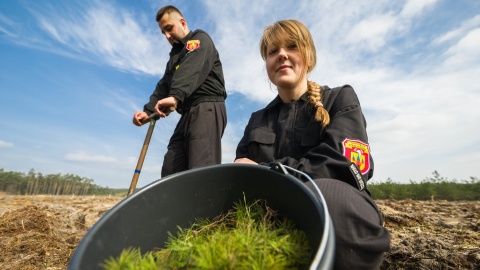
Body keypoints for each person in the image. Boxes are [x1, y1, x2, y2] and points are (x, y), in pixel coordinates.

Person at [235, 20, 391, 269]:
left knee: (329, 197)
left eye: (292, 46)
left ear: (308, 56)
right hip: (273, 211)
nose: (282, 55)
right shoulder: (256, 120)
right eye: (273, 51)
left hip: (336, 208)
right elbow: (242, 173)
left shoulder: (340, 98)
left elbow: (347, 165)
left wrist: (268, 172)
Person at [133, 5, 227, 177]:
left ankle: (205, 203)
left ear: (182, 22)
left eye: (169, 28)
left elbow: (191, 69)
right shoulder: (174, 57)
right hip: (186, 112)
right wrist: (147, 112)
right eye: (163, 33)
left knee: (200, 169)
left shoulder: (199, 39)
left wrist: (175, 96)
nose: (167, 36)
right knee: (171, 169)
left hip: (206, 107)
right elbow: (164, 86)